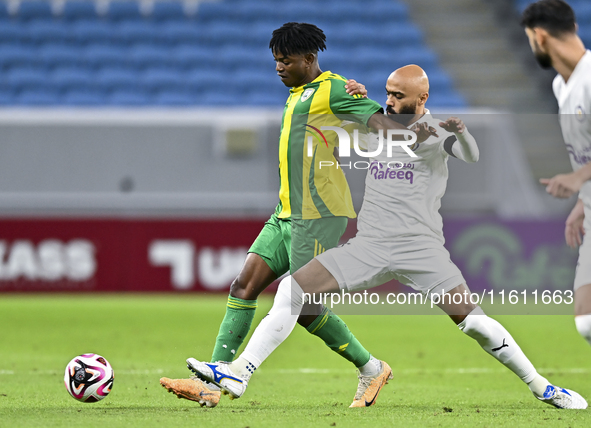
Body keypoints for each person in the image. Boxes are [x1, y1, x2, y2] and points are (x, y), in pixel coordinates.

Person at [186, 65, 588, 409]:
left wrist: (461, 133)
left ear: (422, 97)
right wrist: (351, 92)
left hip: (421, 249)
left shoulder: (433, 132)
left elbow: (470, 154)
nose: (390, 101)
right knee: (293, 289)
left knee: (476, 325)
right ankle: (239, 373)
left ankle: (543, 387)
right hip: (370, 245)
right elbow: (336, 122)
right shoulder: (378, 127)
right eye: (387, 94)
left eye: (398, 96)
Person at [160, 22, 435, 408]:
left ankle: (363, 368)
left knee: (301, 303)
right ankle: (214, 377)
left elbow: (383, 125)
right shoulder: (297, 93)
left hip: (319, 214)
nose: (278, 68)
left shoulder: (335, 90)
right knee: (244, 286)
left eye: (285, 61)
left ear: (309, 59)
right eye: (275, 61)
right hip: (286, 212)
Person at [521, 0, 591, 347]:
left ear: (540, 36)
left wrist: (578, 180)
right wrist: (582, 202)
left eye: (530, 39)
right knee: (587, 321)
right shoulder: (562, 87)